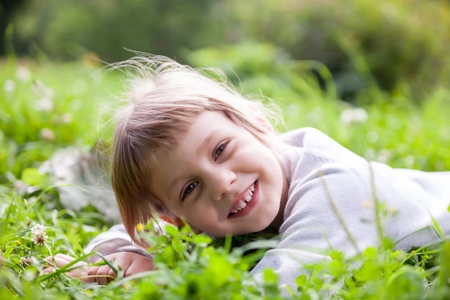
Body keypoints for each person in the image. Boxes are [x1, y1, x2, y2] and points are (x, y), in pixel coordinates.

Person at [44, 55, 450, 292]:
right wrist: (120, 257)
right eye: (189, 187)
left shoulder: (335, 191)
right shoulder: (214, 208)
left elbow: (275, 288)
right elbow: (137, 233)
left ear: (256, 121)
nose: (222, 184)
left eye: (221, 149)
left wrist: (162, 275)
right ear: (173, 216)